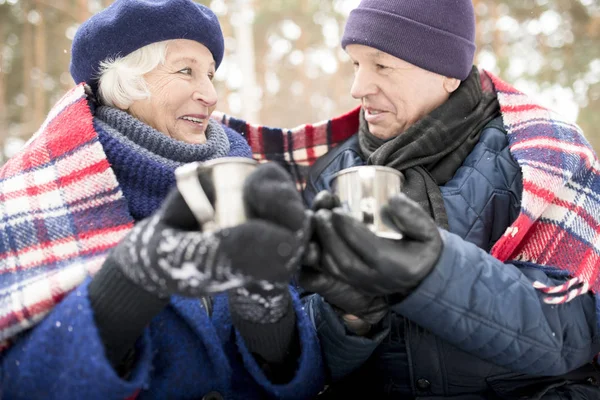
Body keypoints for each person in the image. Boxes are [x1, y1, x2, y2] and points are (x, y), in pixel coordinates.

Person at [0, 1, 324, 399]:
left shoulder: (242, 183)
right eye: (186, 71)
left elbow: (302, 381)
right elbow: (18, 382)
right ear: (124, 83)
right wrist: (125, 287)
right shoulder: (35, 198)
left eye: (209, 74)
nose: (210, 94)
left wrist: (269, 319)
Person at [291, 0, 600, 399]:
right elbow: (298, 362)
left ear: (448, 74)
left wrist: (433, 269)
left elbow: (577, 328)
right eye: (355, 64)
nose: (358, 88)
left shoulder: (542, 157)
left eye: (381, 65)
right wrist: (350, 318)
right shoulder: (333, 174)